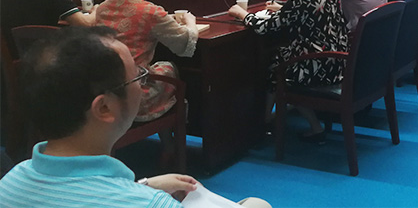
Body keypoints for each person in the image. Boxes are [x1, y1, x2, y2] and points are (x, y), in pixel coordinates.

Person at [0, 26, 269, 208]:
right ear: (104, 108)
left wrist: (143, 185)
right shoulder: (151, 205)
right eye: (138, 77)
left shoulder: (9, 183)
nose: (142, 85)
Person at [228, 0, 348, 142]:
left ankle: (265, 122)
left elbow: (265, 27)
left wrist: (243, 14)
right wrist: (284, 8)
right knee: (279, 60)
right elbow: (310, 11)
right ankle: (308, 125)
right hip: (337, 60)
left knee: (276, 70)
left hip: (318, 65)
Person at [95, 0, 198, 121]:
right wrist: (191, 23)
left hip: (104, 90)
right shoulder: (150, 11)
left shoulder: (103, 7)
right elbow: (184, 43)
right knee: (169, 68)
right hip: (135, 94)